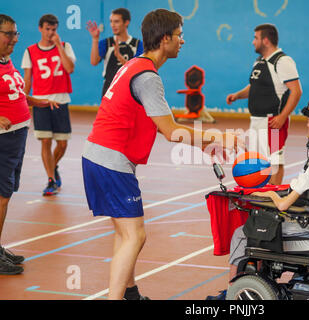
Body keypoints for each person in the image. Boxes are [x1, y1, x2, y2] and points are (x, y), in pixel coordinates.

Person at [82, 8, 242, 300]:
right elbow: (170, 130)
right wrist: (218, 136)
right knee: (135, 235)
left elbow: (156, 126)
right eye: (180, 35)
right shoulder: (147, 77)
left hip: (96, 156)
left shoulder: (133, 66)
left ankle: (129, 293)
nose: (183, 41)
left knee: (124, 233)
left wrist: (203, 144)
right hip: (110, 160)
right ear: (165, 38)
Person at [206, 93, 309, 300]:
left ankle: (233, 293)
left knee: (242, 232)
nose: (307, 126)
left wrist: (271, 193)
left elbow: (283, 205)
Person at [0, 14, 58, 275]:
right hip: (3, 139)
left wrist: (36, 101)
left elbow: (15, 93)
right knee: (1, 197)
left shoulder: (6, 61)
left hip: (17, 137)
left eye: (15, 34)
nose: (14, 39)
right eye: (8, 34)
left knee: (6, 194)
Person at [226, 24, 302, 185]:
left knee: (274, 161)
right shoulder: (259, 61)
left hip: (272, 122)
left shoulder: (282, 61)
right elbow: (254, 86)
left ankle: (273, 199)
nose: (253, 42)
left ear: (266, 40)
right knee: (259, 161)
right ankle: (263, 196)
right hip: (256, 121)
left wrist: (282, 117)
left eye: (256, 38)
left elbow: (296, 91)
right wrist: (237, 96)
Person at [22, 14, 76, 196]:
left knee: (62, 143)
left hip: (60, 100)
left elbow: (69, 69)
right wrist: (24, 100)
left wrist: (59, 46)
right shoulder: (30, 51)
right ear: (40, 28)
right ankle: (51, 179)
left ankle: (53, 166)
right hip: (41, 101)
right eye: (47, 29)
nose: (50, 33)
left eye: (53, 29)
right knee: (45, 140)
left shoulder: (65, 46)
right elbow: (27, 79)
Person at [87, 8, 144, 97]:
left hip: (130, 89)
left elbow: (135, 70)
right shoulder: (106, 42)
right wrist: (95, 39)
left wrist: (119, 56)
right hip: (109, 88)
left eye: (116, 21)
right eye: (111, 21)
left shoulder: (138, 44)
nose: (113, 25)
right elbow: (94, 62)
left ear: (126, 22)